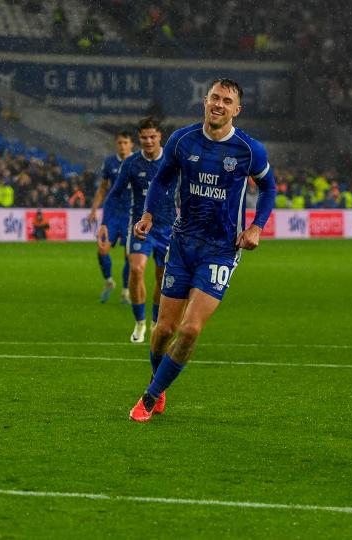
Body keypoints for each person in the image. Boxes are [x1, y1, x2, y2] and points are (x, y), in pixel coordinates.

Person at [128, 78, 276, 422]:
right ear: (205, 101)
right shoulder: (183, 139)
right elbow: (163, 179)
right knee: (163, 330)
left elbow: (269, 188)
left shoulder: (250, 150)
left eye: (226, 100)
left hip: (221, 249)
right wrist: (149, 212)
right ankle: (159, 384)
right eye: (214, 98)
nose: (218, 104)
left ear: (236, 110)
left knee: (191, 329)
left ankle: (149, 398)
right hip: (181, 244)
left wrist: (256, 227)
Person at [105, 118, 175, 342]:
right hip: (139, 227)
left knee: (161, 277)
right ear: (139, 139)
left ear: (159, 137)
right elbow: (114, 194)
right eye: (144, 137)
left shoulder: (173, 161)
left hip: (168, 228)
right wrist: (105, 223)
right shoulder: (131, 163)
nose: (148, 141)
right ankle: (139, 323)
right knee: (136, 269)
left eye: (152, 137)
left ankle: (155, 321)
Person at [88, 132, 134, 304]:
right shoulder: (110, 162)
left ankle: (126, 291)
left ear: (131, 144)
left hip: (131, 215)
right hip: (113, 214)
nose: (122, 146)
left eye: (125, 142)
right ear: (116, 144)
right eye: (120, 142)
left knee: (130, 256)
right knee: (102, 249)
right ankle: (109, 282)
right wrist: (94, 210)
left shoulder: (138, 161)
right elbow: (102, 189)